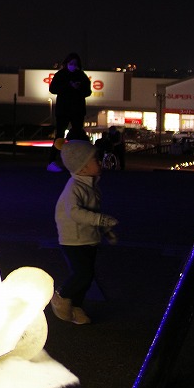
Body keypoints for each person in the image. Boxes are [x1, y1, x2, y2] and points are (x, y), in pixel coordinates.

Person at [49, 139, 118, 325]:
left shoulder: (91, 185)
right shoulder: (74, 188)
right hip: (73, 239)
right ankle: (62, 297)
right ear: (82, 168)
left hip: (87, 238)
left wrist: (104, 230)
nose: (100, 161)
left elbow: (93, 212)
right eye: (95, 159)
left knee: (86, 275)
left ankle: (76, 306)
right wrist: (101, 220)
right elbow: (75, 213)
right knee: (82, 273)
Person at [47, 52, 91, 171]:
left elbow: (88, 91)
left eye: (75, 64)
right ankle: (52, 162)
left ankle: (78, 162)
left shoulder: (82, 75)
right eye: (71, 63)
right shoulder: (60, 75)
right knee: (59, 136)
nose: (73, 66)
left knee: (77, 136)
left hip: (77, 110)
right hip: (63, 110)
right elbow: (52, 89)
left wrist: (79, 88)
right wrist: (68, 86)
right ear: (66, 63)